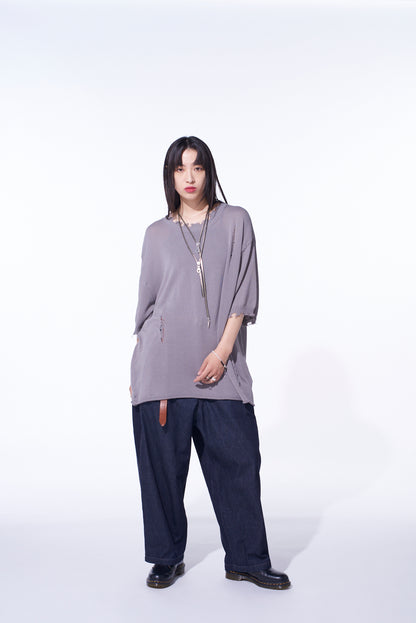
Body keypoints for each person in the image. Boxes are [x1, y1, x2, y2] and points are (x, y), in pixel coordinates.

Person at [129, 136, 291, 591]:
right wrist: (138, 370)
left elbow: (243, 294)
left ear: (209, 171)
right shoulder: (156, 233)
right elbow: (146, 307)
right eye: (180, 169)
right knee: (161, 474)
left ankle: (247, 560)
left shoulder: (235, 221)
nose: (190, 177)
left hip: (220, 369)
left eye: (197, 167)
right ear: (170, 176)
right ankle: (165, 558)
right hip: (160, 372)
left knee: (239, 463)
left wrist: (222, 354)